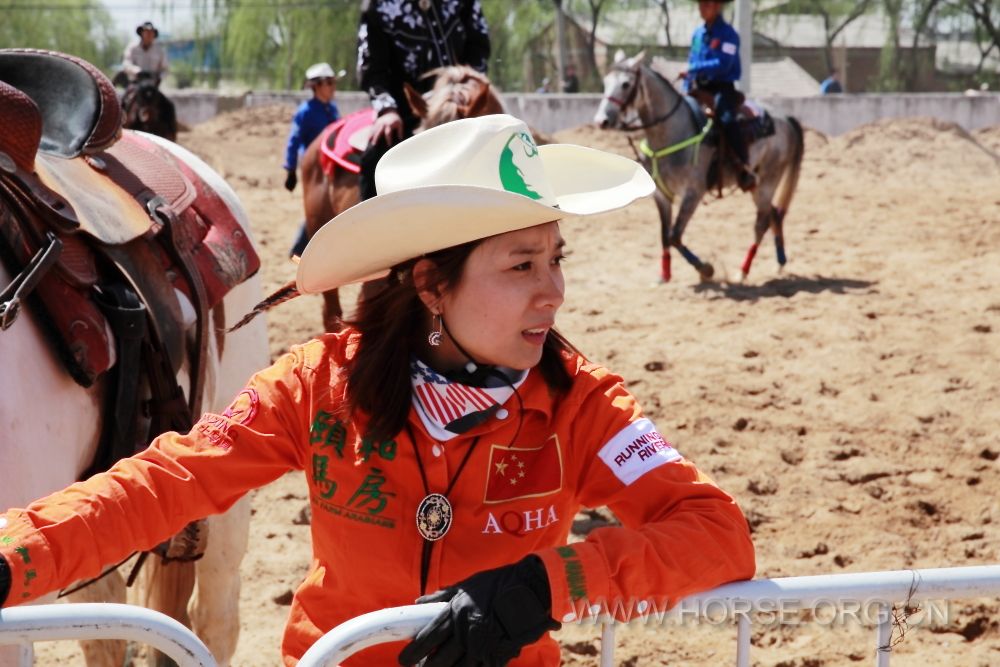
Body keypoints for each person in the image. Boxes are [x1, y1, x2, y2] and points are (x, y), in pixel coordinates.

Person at [0, 114, 756, 666]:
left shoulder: (581, 403)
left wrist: (548, 583)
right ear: (431, 283)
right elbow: (167, 482)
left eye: (557, 258)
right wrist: (13, 558)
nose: (553, 291)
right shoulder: (319, 384)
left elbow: (716, 532)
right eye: (522, 265)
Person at [357, 0, 491, 201]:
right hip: (408, 110)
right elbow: (371, 67)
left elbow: (479, 47)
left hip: (464, 104)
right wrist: (386, 109)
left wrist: (469, 87)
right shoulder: (378, 6)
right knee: (374, 159)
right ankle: (372, 220)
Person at [680, 0, 756, 191]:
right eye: (700, 4)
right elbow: (692, 59)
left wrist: (693, 69)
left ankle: (743, 165)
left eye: (707, 4)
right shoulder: (698, 34)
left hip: (722, 88)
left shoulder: (729, 35)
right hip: (698, 87)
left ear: (717, 6)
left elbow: (724, 65)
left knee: (727, 119)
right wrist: (686, 85)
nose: (702, 8)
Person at [283, 62, 344, 258]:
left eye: (334, 82)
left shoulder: (332, 109)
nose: (333, 87)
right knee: (317, 207)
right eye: (329, 83)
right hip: (314, 171)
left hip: (332, 165)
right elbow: (293, 140)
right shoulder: (305, 112)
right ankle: (299, 248)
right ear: (317, 86)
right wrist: (290, 169)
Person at [121, 21, 177, 137]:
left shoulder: (159, 50)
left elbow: (165, 69)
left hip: (153, 87)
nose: (148, 35)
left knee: (169, 106)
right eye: (146, 32)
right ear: (141, 33)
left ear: (154, 35)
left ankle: (172, 134)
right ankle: (116, 131)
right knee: (120, 103)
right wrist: (137, 71)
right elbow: (126, 64)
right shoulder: (132, 48)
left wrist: (158, 77)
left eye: (151, 33)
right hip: (135, 85)